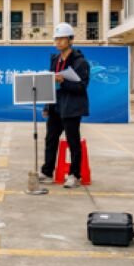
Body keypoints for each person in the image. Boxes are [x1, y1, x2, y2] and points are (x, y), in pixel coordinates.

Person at [39, 22, 90, 189]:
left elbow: (81, 87)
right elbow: (51, 84)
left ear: (70, 40)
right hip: (56, 106)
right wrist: (47, 106)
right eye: (56, 39)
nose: (58, 42)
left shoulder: (80, 62)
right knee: (50, 139)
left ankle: (74, 175)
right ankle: (47, 172)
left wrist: (63, 81)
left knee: (73, 142)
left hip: (72, 107)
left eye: (62, 38)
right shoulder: (55, 59)